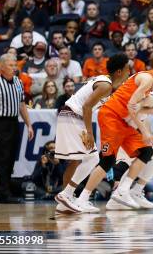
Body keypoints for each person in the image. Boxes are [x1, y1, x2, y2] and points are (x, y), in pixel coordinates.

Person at [76, 51, 153, 212]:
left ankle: (123, 190)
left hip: (121, 120)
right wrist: (145, 131)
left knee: (146, 151)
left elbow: (134, 106)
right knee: (107, 161)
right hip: (111, 116)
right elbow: (130, 106)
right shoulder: (147, 79)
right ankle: (82, 199)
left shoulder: (148, 79)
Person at [53, 53, 130, 212]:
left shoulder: (106, 83)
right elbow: (87, 107)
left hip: (71, 115)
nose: (129, 72)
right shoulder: (105, 85)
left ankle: (65, 201)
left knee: (76, 160)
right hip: (74, 116)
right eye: (127, 69)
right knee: (92, 157)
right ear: (119, 72)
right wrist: (90, 132)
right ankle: (66, 194)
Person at [105, 76, 153, 211]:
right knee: (145, 156)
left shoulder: (152, 100)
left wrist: (148, 132)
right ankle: (123, 193)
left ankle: (134, 191)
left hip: (126, 133)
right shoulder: (151, 98)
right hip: (122, 133)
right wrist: (145, 132)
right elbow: (132, 110)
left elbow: (141, 115)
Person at [0, 54, 34, 203]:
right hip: (0, 123)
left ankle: (3, 192)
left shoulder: (18, 82)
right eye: (11, 65)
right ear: (2, 66)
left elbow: (22, 105)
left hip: (14, 122)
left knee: (11, 158)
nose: (14, 68)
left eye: (15, 65)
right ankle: (3, 195)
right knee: (2, 158)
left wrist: (29, 124)